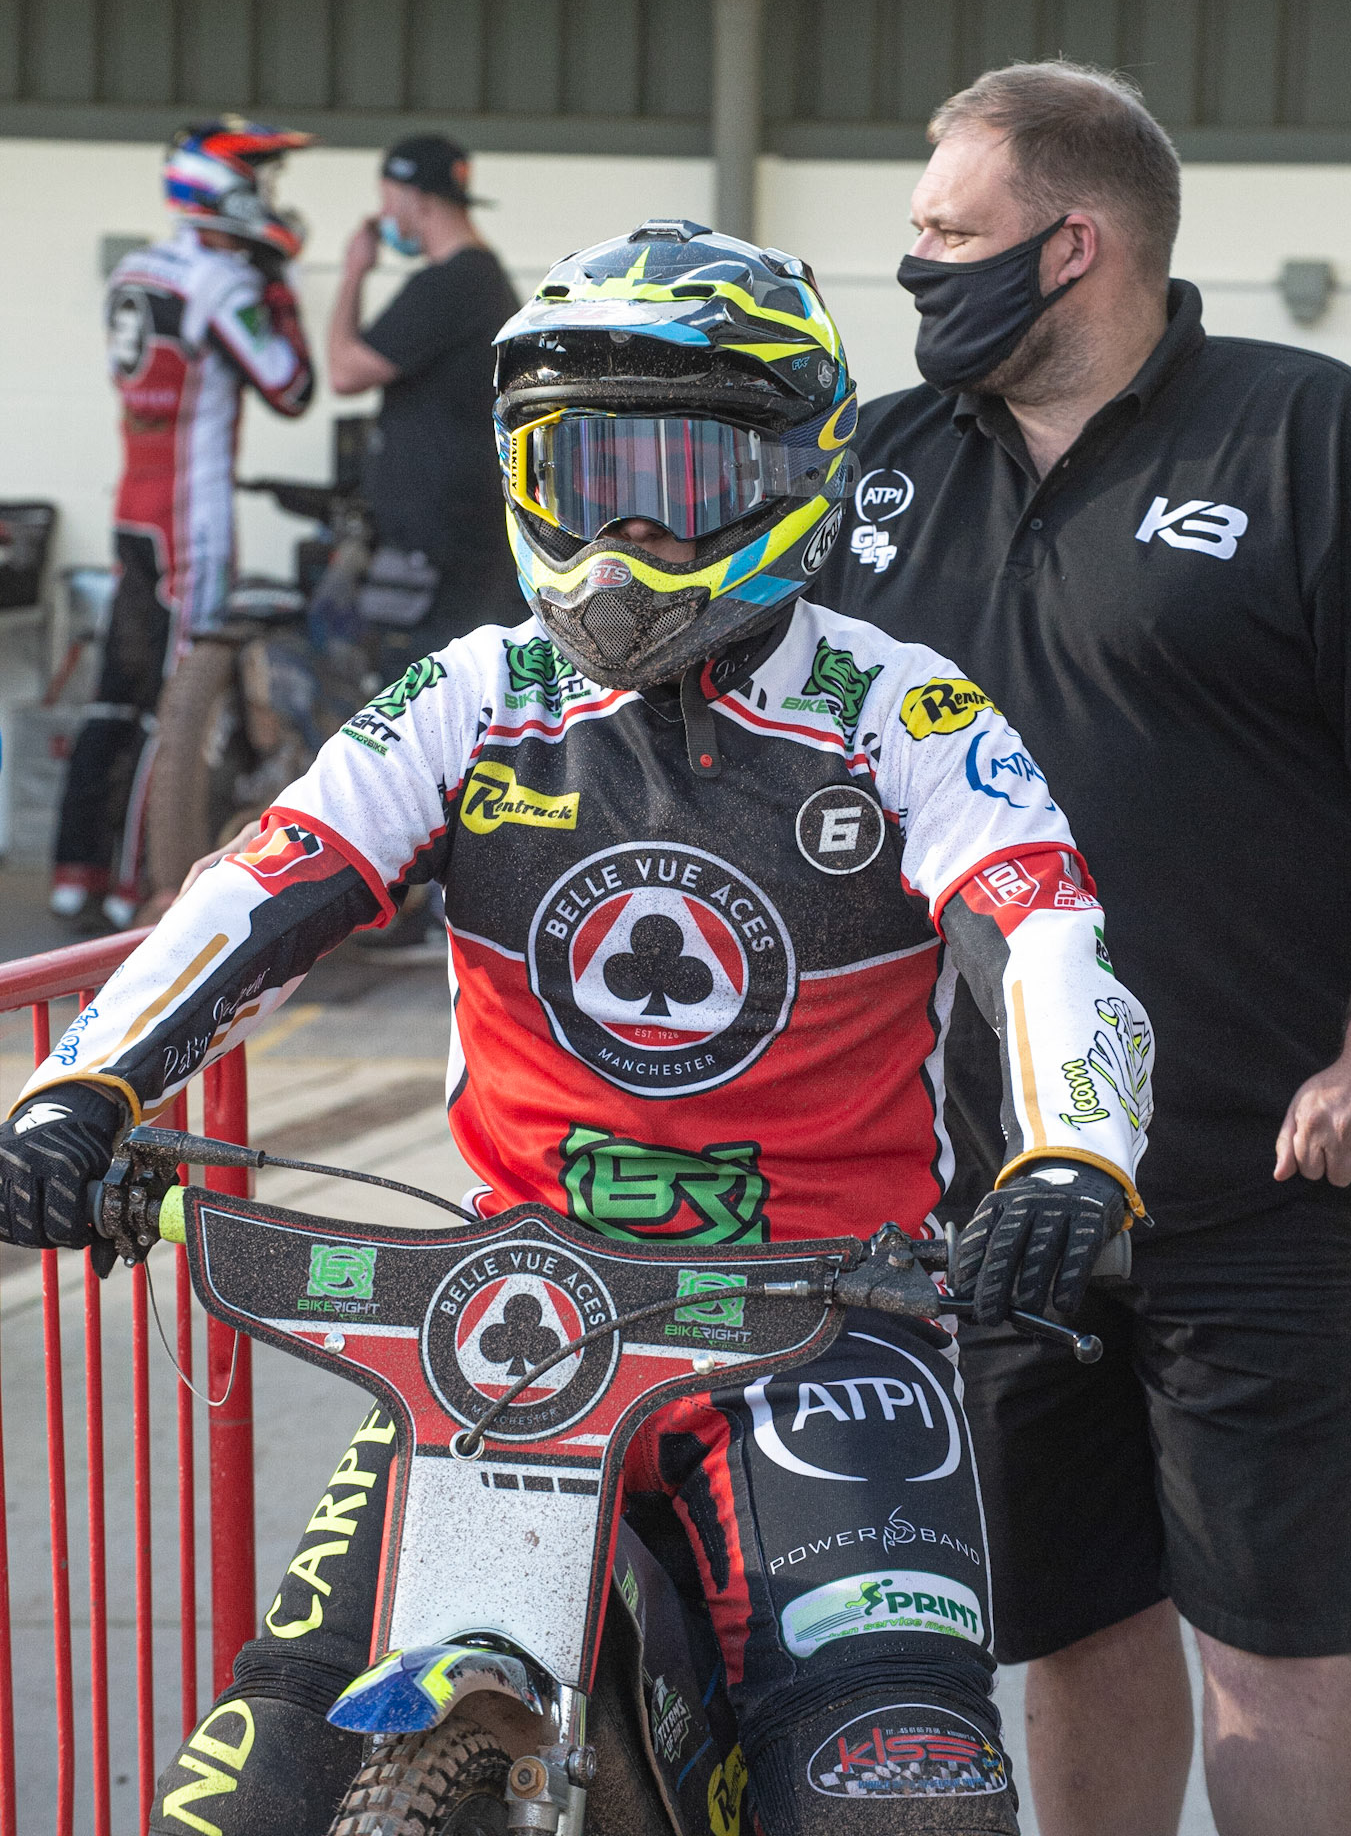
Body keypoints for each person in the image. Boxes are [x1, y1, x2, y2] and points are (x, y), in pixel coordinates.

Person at [0, 221, 1152, 1836]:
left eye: (673, 478)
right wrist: (76, 1091)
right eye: (581, 467)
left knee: (895, 1779)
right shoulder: (473, 691)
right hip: (506, 1319)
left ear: (789, 469)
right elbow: (266, 880)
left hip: (822, 1326)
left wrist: (1071, 1159)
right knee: (254, 1779)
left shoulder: (903, 707)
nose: (620, 530)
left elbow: (1044, 928)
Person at [813, 62, 1351, 1836]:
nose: (913, 268)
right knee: (1067, 1627)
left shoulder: (1303, 439)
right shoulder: (872, 467)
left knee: (1274, 1657)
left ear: (1072, 245)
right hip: (984, 1191)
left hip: (1257, 1183)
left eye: (945, 234)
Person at [50, 118, 315, 931]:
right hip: (189, 520)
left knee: (114, 699)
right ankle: (139, 886)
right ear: (223, 186)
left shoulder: (139, 266)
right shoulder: (222, 281)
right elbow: (290, 384)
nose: (270, 199)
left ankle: (75, 872)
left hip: (132, 504)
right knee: (173, 702)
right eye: (259, 181)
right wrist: (277, 286)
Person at [327, 134, 524, 664]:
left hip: (444, 559)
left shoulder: (451, 285)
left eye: (389, 198)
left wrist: (353, 272)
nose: (384, 214)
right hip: (457, 546)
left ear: (418, 199)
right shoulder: (478, 280)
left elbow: (344, 370)